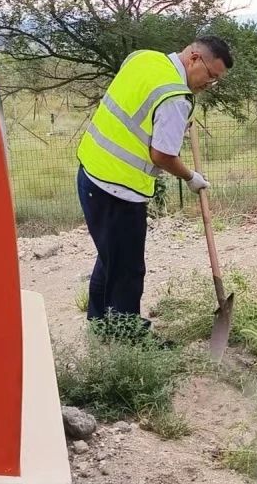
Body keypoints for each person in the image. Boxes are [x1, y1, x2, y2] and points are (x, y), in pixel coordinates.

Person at [75, 36, 232, 338]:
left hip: (90, 172)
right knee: (128, 271)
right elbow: (162, 155)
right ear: (195, 58)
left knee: (110, 257)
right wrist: (190, 177)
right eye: (211, 76)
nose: (209, 84)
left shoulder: (144, 58)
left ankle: (99, 324)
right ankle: (129, 338)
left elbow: (137, 100)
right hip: (119, 189)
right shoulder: (175, 97)